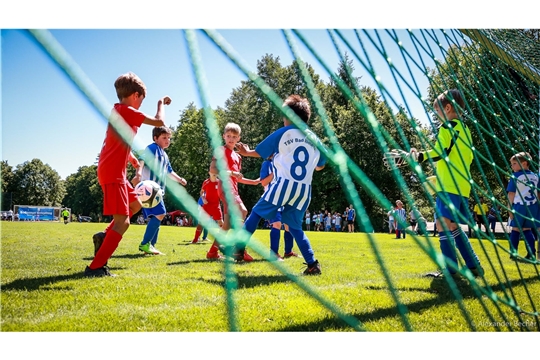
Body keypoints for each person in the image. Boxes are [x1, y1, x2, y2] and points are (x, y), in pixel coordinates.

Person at [86, 72, 170, 277]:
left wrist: (132, 160)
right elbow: (159, 122)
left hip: (117, 171)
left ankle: (103, 237)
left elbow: (119, 142)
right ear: (135, 95)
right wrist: (161, 103)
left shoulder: (120, 112)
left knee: (137, 203)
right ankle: (95, 267)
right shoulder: (126, 110)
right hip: (113, 172)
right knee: (123, 222)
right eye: (143, 100)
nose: (141, 104)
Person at [394, 89, 484, 278]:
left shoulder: (447, 128)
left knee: (442, 224)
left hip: (449, 187)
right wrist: (438, 178)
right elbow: (459, 159)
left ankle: (450, 270)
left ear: (448, 108)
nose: (436, 116)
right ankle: (474, 265)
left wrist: (418, 156)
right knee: (452, 226)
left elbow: (439, 152)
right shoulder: (465, 130)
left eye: (437, 111)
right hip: (461, 187)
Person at [235, 94, 326, 275]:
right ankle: (312, 264)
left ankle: (237, 248)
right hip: (304, 189)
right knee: (294, 227)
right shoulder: (315, 138)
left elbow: (260, 152)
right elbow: (321, 165)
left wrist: (246, 152)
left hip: (284, 183)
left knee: (257, 213)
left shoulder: (285, 132)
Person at [205, 122, 260, 260]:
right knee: (243, 210)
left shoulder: (238, 156)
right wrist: (230, 173)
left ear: (238, 138)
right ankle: (239, 248)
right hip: (224, 188)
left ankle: (212, 253)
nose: (231, 139)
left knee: (227, 225)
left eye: (234, 136)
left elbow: (237, 178)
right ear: (223, 136)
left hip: (233, 188)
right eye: (228, 135)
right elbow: (212, 170)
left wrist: (252, 182)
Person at [135, 126, 187, 255]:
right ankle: (145, 244)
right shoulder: (152, 148)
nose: (167, 140)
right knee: (161, 214)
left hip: (158, 192)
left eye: (169, 138)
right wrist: (139, 173)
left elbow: (169, 172)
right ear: (155, 138)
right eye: (164, 138)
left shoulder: (164, 154)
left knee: (158, 216)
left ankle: (150, 246)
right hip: (149, 191)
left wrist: (180, 179)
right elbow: (141, 159)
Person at [259, 153, 298, 260]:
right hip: (272, 200)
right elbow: (263, 182)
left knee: (288, 225)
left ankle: (288, 251)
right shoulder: (267, 164)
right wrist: (274, 173)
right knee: (276, 224)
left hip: (285, 199)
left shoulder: (284, 164)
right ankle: (273, 253)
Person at [506, 152, 539, 261]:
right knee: (527, 229)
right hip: (532, 207)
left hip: (519, 206)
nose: (512, 166)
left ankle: (513, 253)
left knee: (515, 229)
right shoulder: (536, 176)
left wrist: (509, 209)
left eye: (514, 163)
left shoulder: (516, 176)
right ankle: (531, 254)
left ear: (524, 163)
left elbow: (511, 194)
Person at [192, 174, 222, 244]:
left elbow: (223, 193)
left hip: (216, 206)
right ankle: (195, 239)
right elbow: (201, 192)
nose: (214, 173)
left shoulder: (220, 182)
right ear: (209, 173)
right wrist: (203, 198)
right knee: (201, 223)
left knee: (221, 223)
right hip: (207, 206)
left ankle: (221, 241)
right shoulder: (206, 182)